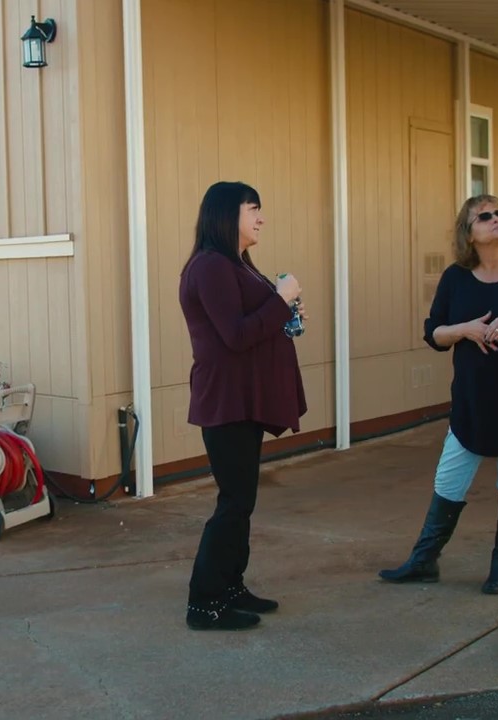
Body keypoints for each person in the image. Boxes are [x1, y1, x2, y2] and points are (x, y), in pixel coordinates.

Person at [378, 195, 498, 594]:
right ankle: (424, 560)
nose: (497, 219)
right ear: (469, 232)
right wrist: (465, 329)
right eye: (485, 216)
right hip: (473, 399)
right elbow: (434, 333)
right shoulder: (456, 278)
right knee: (449, 478)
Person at [178, 181, 308, 631]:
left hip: (244, 398)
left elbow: (255, 323)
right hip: (226, 402)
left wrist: (284, 313)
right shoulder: (210, 266)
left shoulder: (236, 264)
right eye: (253, 208)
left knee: (242, 501)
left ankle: (231, 587)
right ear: (226, 214)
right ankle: (204, 603)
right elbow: (235, 335)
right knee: (233, 503)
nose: (261, 217)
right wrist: (280, 300)